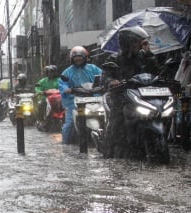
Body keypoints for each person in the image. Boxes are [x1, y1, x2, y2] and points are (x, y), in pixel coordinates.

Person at [104, 26, 162, 158]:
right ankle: (109, 152)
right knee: (116, 121)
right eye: (136, 42)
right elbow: (106, 75)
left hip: (143, 96)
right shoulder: (114, 58)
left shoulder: (144, 57)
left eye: (140, 42)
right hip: (121, 97)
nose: (139, 45)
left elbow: (157, 72)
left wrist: (149, 55)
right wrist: (111, 81)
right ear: (127, 43)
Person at [59, 46, 103, 144]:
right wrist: (67, 89)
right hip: (75, 100)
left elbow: (103, 76)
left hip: (95, 98)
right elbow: (62, 83)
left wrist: (105, 83)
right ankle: (65, 144)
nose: (78, 60)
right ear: (72, 59)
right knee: (69, 124)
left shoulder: (93, 68)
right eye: (76, 58)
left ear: (85, 58)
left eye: (80, 57)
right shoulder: (67, 71)